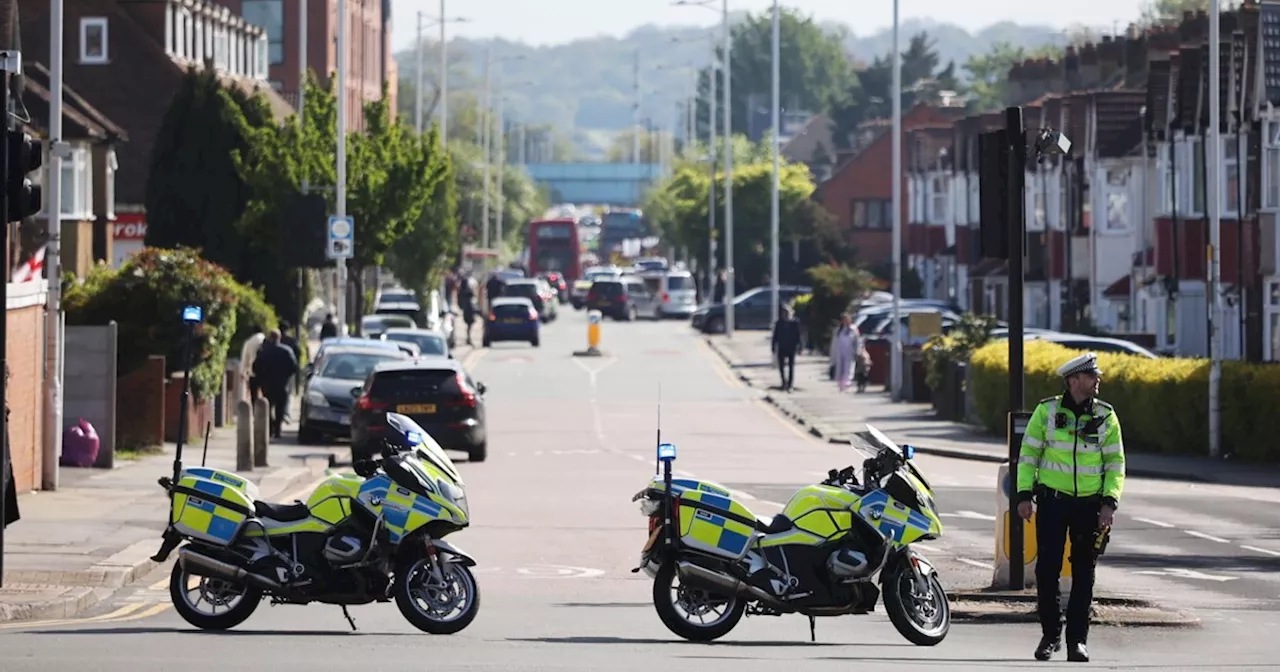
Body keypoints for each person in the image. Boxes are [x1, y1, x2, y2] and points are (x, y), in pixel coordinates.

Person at [1016, 352, 1125, 663]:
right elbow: (1028, 456)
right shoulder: (1046, 411)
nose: (1097, 380)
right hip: (1052, 501)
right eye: (1091, 377)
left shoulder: (1106, 415)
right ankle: (1050, 636)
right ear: (1074, 380)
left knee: (1083, 571)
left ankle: (1077, 640)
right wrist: (1023, 495)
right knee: (1046, 569)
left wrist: (1109, 502)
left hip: (1089, 506)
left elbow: (1116, 463)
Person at [252, 330, 299, 439]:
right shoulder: (287, 351)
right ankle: (277, 430)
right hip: (282, 384)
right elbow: (294, 367)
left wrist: (262, 377)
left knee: (267, 407)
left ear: (270, 338)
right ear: (279, 338)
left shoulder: (264, 351)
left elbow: (255, 366)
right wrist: (286, 376)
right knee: (280, 408)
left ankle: (269, 429)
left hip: (267, 384)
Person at [771, 305, 802, 391]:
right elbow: (775, 336)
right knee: (781, 366)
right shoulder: (779, 323)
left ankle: (790, 384)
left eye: (786, 312)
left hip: (791, 347)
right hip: (781, 347)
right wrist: (773, 346)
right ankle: (783, 382)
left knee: (791, 366)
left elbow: (798, 335)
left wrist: (800, 347)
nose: (785, 314)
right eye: (783, 313)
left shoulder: (795, 322)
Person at [827, 314, 861, 392]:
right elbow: (834, 342)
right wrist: (833, 353)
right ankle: (840, 383)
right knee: (840, 367)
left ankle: (847, 382)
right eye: (844, 319)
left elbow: (857, 341)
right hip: (840, 350)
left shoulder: (853, 329)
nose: (845, 321)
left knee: (848, 367)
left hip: (849, 350)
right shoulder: (838, 330)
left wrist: (857, 350)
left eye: (847, 319)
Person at [239, 324, 266, 401]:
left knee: (254, 396)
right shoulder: (266, 340)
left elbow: (244, 358)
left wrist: (242, 372)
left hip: (252, 372)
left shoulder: (249, 342)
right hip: (266, 373)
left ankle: (255, 411)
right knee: (265, 398)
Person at [458, 274, 478, 346]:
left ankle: (468, 338)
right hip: (469, 309)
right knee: (470, 324)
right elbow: (473, 295)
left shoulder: (461, 291)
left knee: (469, 324)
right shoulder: (467, 291)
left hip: (466, 309)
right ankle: (468, 338)